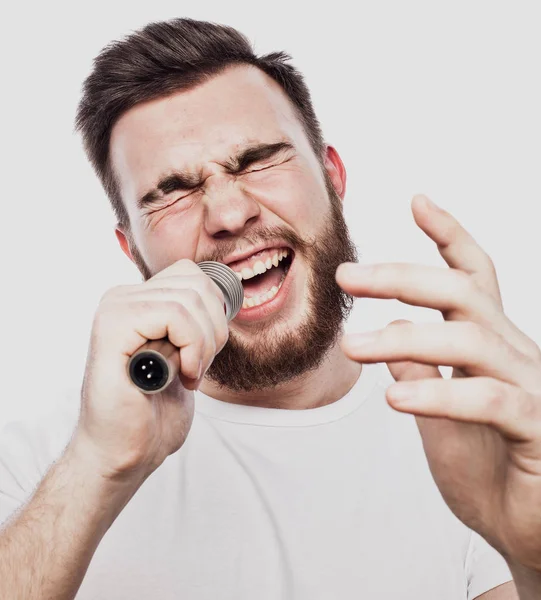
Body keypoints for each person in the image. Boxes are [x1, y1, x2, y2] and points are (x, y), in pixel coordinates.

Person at [1, 17, 540, 600]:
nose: (229, 214)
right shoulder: (43, 468)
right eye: (174, 192)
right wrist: (98, 466)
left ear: (332, 177)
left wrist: (532, 552)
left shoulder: (466, 432)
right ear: (131, 248)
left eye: (257, 159)